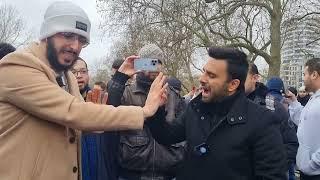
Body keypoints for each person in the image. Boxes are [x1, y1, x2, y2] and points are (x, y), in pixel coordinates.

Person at [0, 1, 166, 180]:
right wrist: (144, 111)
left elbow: (74, 125)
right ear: (46, 34)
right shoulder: (16, 66)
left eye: (82, 40)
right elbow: (73, 112)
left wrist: (94, 118)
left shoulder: (67, 76)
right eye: (68, 35)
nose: (75, 46)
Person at [145, 47, 287, 180]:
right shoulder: (195, 108)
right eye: (204, 71)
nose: (202, 79)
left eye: (211, 75)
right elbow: (166, 135)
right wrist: (155, 109)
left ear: (233, 85)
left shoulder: (262, 121)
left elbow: (272, 175)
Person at [107, 44, 186, 180]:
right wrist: (120, 78)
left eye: (156, 63)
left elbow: (184, 132)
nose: (152, 68)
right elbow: (109, 112)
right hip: (131, 174)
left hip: (169, 175)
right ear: (139, 65)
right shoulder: (126, 94)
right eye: (147, 63)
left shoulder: (174, 96)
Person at [245, 64, 298, 180]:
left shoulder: (273, 107)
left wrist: (273, 170)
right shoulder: (226, 104)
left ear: (255, 78)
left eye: (243, 75)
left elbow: (291, 143)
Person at [286, 58, 320, 180]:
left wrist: (312, 165)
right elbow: (304, 120)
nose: (303, 79)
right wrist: (294, 103)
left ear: (314, 74)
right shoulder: (314, 98)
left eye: (304, 74)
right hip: (308, 171)